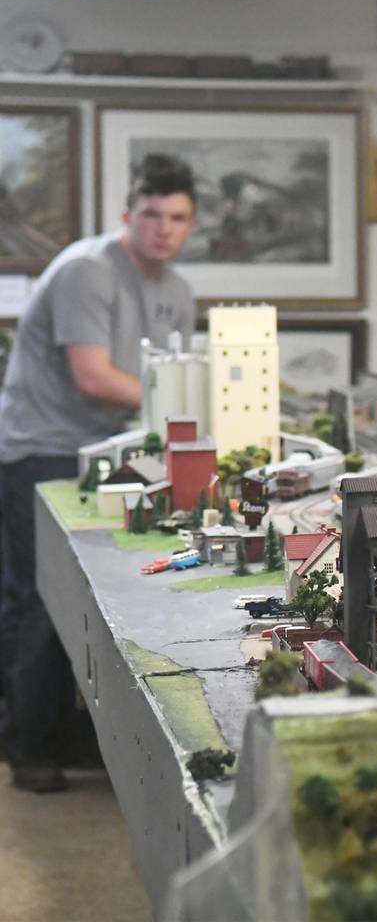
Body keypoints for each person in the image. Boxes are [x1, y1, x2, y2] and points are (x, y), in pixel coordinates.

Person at [0, 154, 197, 793]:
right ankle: (26, 744)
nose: (163, 229)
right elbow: (95, 377)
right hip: (42, 449)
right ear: (127, 215)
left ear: (190, 225)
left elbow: (170, 385)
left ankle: (63, 730)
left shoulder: (178, 291)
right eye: (151, 215)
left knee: (86, 599)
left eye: (177, 218)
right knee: (40, 597)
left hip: (108, 453)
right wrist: (189, 402)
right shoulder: (89, 271)